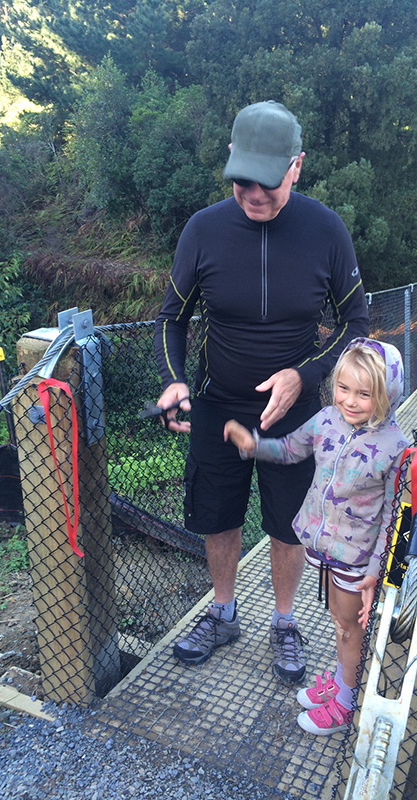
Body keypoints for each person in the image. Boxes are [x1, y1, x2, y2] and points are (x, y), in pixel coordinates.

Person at [154, 100, 370, 684]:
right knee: (218, 515)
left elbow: (357, 322)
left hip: (297, 412)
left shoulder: (325, 229)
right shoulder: (203, 229)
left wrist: (306, 372)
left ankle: (284, 622)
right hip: (218, 404)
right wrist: (175, 380)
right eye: (241, 180)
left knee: (287, 521)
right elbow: (172, 317)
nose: (253, 194)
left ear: (296, 167)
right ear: (230, 161)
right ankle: (222, 613)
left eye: (268, 183)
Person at [224, 338, 409, 734]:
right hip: (323, 546)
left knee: (348, 628)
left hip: (357, 558)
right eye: (344, 389)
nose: (351, 401)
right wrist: (254, 445)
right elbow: (291, 449)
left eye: (365, 393)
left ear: (388, 394)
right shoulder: (326, 420)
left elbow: (395, 515)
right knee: (337, 622)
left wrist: (376, 570)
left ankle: (346, 703)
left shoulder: (395, 447)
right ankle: (344, 682)